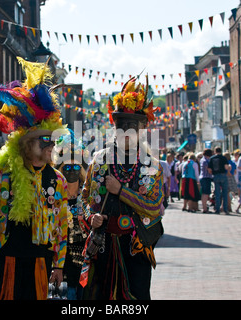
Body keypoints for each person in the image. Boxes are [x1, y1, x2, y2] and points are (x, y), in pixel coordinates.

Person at [0, 58, 69, 300]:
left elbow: (62, 223)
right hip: (10, 255)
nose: (50, 145)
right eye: (44, 141)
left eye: (52, 140)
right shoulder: (6, 176)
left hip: (42, 259)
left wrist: (59, 264)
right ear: (27, 145)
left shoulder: (57, 179)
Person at [80, 76, 164, 300]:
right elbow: (84, 199)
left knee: (137, 297)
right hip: (103, 246)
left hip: (136, 247)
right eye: (120, 125)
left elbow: (154, 207)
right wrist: (92, 217)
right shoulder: (99, 160)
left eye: (131, 126)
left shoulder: (151, 165)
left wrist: (121, 191)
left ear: (142, 129)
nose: (125, 130)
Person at [54, 132, 88, 300]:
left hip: (83, 255)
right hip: (62, 255)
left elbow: (92, 220)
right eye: (67, 167)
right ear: (61, 170)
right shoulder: (56, 195)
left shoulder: (87, 195)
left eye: (76, 167)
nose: (72, 171)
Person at [208, 147, 229, 214]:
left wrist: (213, 173)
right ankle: (225, 209)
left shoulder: (212, 158)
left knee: (217, 193)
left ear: (215, 151)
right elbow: (226, 167)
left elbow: (209, 169)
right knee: (225, 193)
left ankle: (217, 209)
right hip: (223, 175)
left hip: (216, 175)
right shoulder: (223, 158)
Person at [199, 149, 213, 213]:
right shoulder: (207, 161)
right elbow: (209, 170)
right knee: (206, 193)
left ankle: (204, 207)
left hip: (202, 177)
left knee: (204, 193)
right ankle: (205, 208)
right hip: (206, 177)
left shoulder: (202, 160)